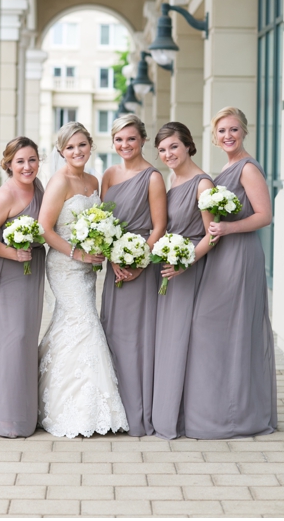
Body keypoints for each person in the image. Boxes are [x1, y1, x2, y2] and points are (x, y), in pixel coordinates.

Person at [183, 107, 277, 439]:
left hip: (240, 254)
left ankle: (237, 416)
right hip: (221, 255)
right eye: (222, 131)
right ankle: (218, 409)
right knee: (214, 329)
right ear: (214, 135)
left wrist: (228, 227)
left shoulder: (248, 168)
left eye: (234, 130)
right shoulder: (225, 167)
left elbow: (265, 215)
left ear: (244, 131)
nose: (228, 136)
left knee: (233, 330)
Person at [37, 122, 128, 438]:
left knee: (71, 324)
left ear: (90, 145)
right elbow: (44, 229)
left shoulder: (92, 180)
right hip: (65, 265)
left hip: (89, 267)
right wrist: (78, 254)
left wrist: (100, 247)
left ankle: (70, 398)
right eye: (70, 147)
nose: (77, 151)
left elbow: (99, 222)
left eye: (81, 145)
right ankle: (77, 409)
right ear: (61, 151)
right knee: (85, 323)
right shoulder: (59, 182)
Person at [100, 115, 167, 437]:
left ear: (142, 141)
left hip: (142, 267)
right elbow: (102, 222)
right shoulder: (109, 175)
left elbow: (159, 227)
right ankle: (116, 412)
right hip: (115, 268)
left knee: (139, 339)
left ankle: (140, 413)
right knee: (113, 335)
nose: (124, 145)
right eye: (119, 140)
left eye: (130, 139)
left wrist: (140, 261)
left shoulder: (153, 177)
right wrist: (112, 257)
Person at [0, 137, 45, 438]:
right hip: (6, 270)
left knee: (24, 338)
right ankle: (6, 418)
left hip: (31, 271)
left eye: (32, 159)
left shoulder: (39, 188)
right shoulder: (6, 195)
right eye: (20, 161)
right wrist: (12, 253)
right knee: (11, 339)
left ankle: (22, 412)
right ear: (8, 164)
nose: (27, 166)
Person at [152, 122, 215, 439]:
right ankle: (168, 413)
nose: (168, 154)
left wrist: (184, 261)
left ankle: (180, 418)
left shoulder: (203, 185)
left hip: (187, 270)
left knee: (180, 341)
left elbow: (212, 236)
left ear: (188, 145)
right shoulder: (172, 178)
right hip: (170, 268)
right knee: (170, 341)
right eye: (162, 150)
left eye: (173, 147)